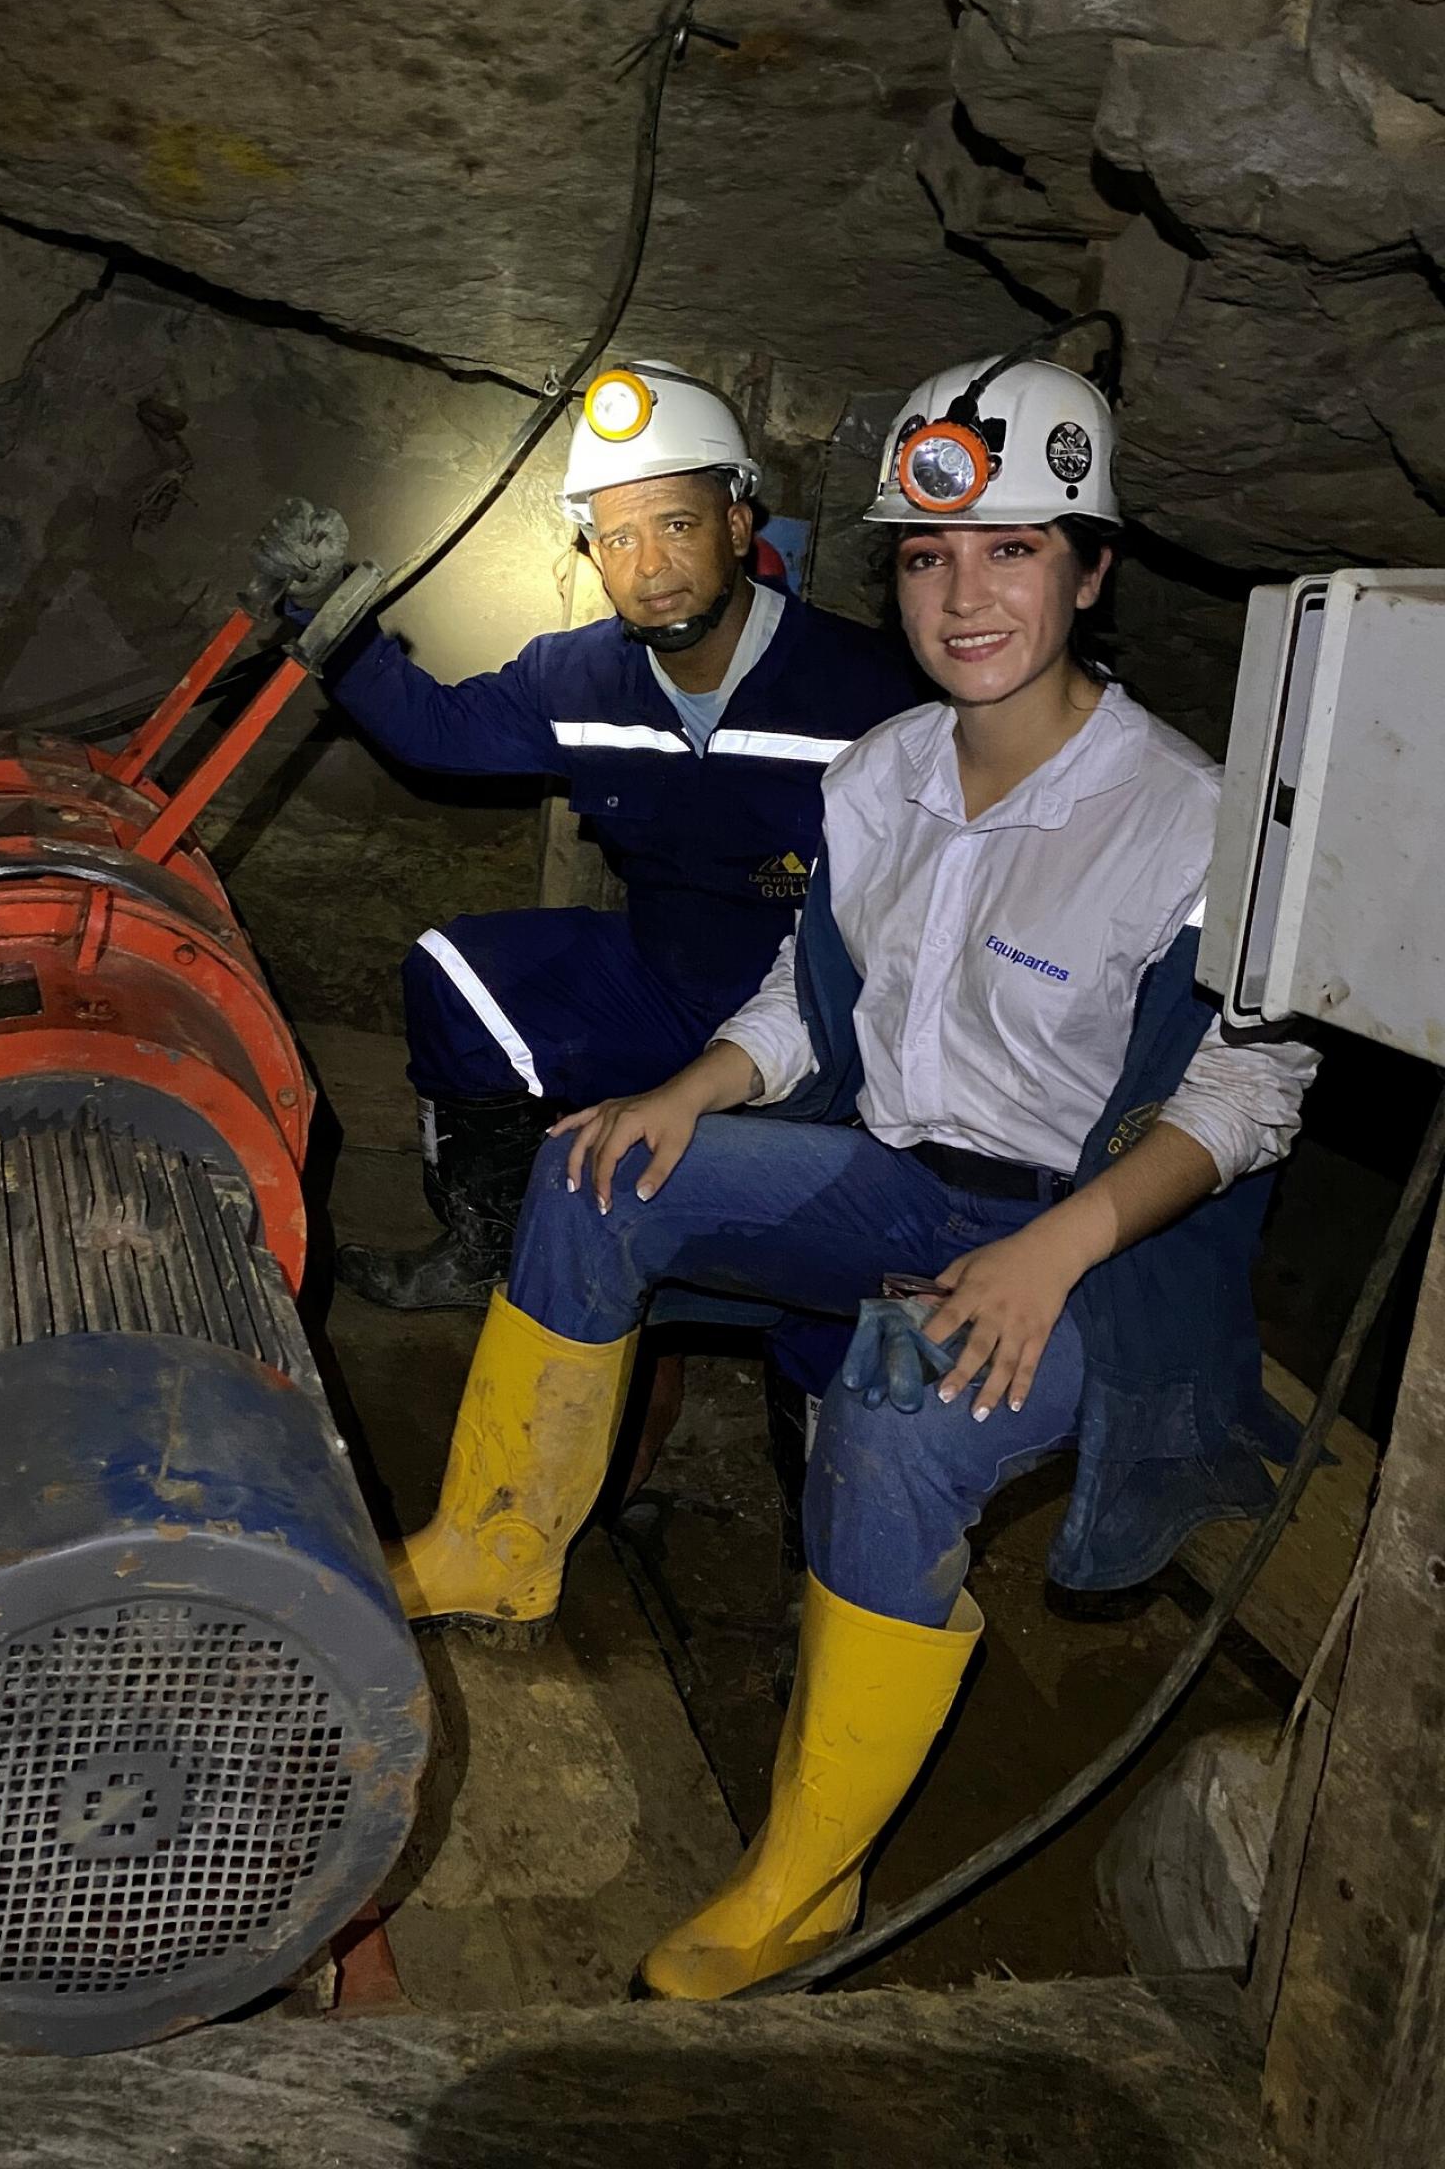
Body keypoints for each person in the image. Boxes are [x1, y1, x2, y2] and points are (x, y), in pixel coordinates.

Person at [379, 333, 1321, 1999]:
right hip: (896, 1170)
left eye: (1013, 549)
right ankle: (499, 1536)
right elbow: (813, 997)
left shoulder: (1188, 817)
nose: (967, 594)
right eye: (934, 556)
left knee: (889, 1429)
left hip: (1086, 1236)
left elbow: (1254, 1082)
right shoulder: (883, 771)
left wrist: (1058, 1251)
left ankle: (805, 1886)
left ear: (1092, 571)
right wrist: (694, 1089)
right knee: (595, 1171)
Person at [326, 360, 918, 1310]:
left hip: (816, 1022)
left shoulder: (869, 691)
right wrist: (331, 628)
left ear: (736, 524)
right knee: (453, 971)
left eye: (677, 525)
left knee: (830, 1260)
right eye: (619, 537)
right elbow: (435, 730)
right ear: (594, 556)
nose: (649, 566)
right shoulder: (579, 677)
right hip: (657, 983)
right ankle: (486, 1245)